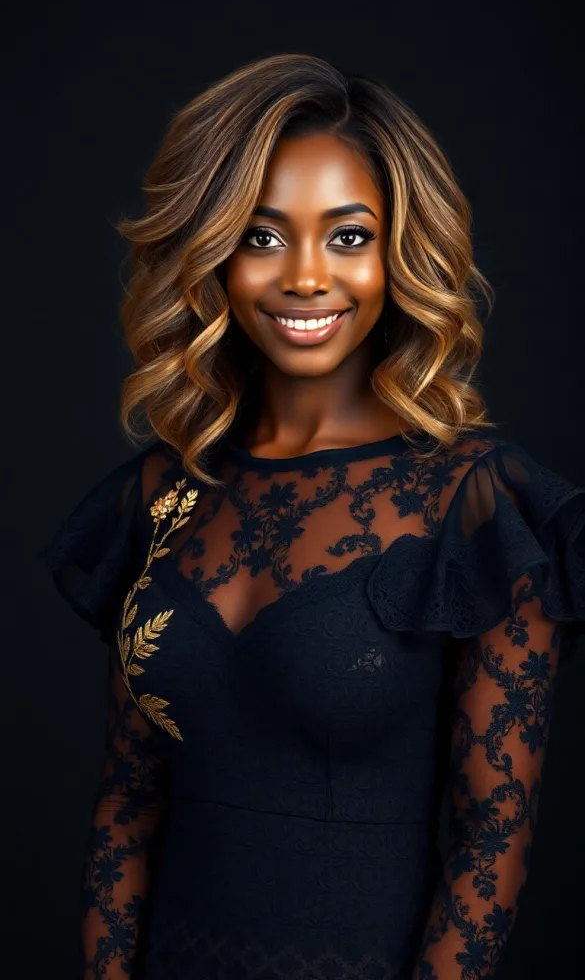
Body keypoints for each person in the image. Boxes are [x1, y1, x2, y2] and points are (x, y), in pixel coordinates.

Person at [41, 53, 585, 980]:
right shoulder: (158, 495)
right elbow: (126, 806)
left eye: (346, 236)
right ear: (211, 250)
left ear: (397, 252)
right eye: (260, 237)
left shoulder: (479, 504)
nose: (303, 276)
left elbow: (491, 846)